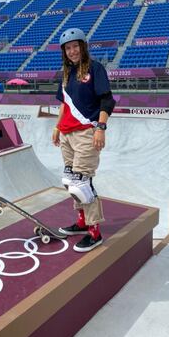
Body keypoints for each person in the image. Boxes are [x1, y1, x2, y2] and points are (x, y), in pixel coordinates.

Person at [52, 28, 115, 252]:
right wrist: (58, 127)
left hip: (86, 131)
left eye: (75, 46)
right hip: (67, 134)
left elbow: (107, 100)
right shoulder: (67, 73)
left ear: (83, 46)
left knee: (82, 184)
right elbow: (64, 104)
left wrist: (101, 127)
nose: (72, 51)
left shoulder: (94, 68)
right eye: (68, 48)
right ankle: (81, 223)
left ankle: (94, 232)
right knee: (70, 182)